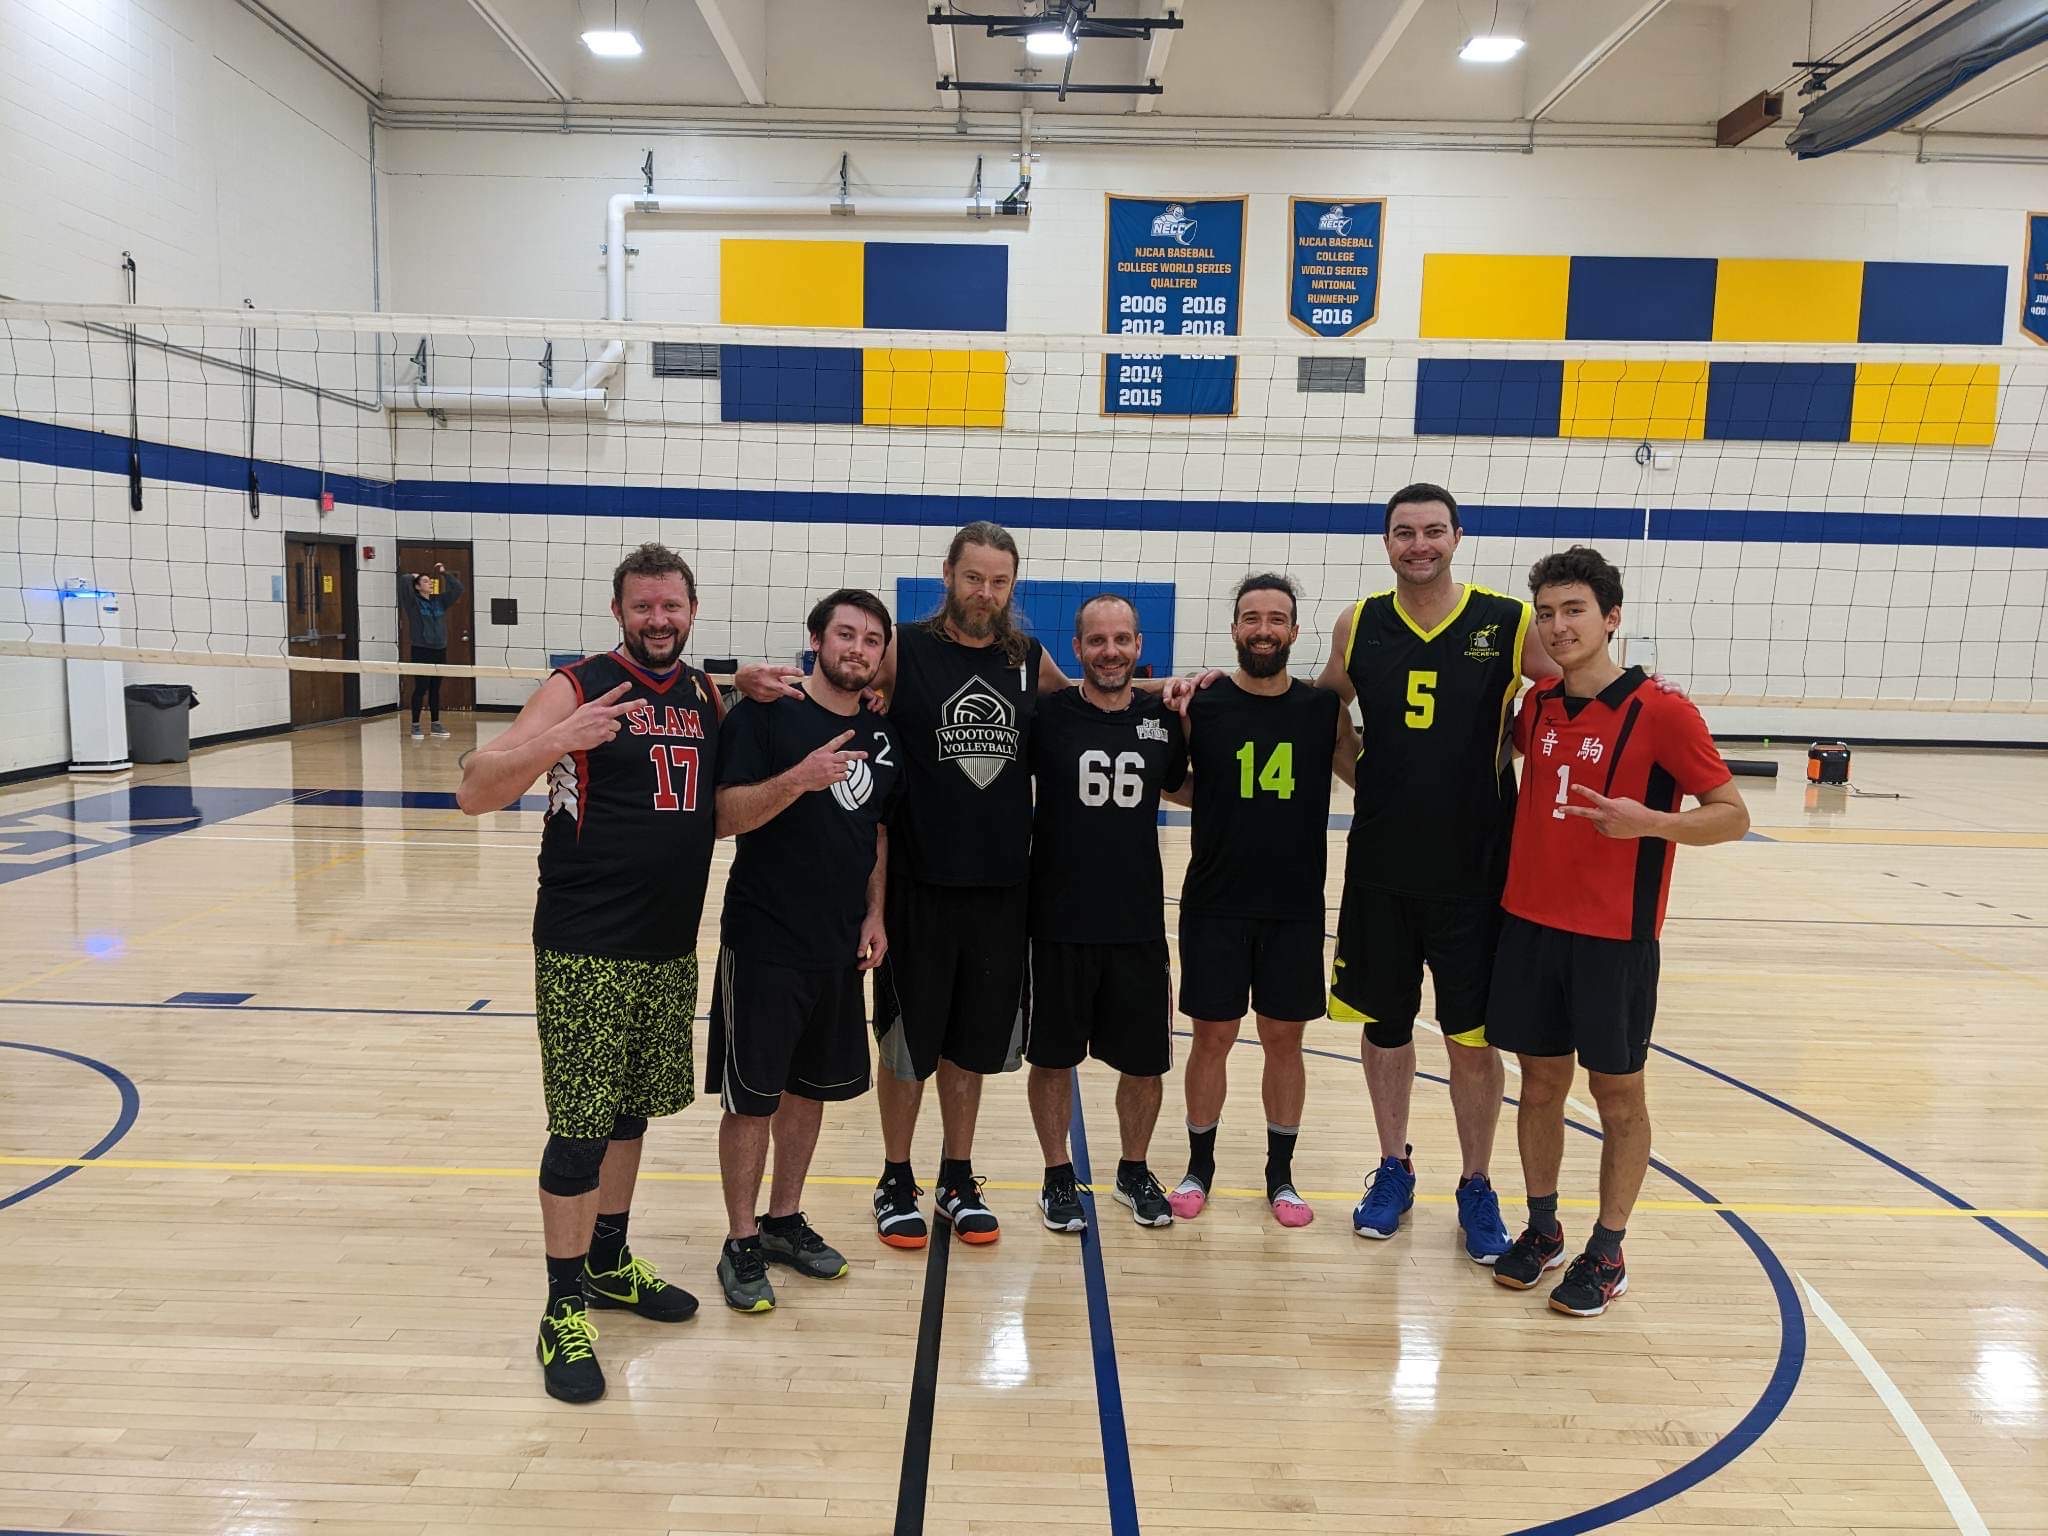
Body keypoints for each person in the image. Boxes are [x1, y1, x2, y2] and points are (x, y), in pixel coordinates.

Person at [455, 542, 793, 1403]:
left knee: (628, 1113)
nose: (658, 620)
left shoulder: (703, 694)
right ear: (618, 612)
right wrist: (558, 740)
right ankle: (562, 1307)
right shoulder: (577, 686)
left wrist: (742, 684)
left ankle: (608, 1261)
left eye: (671, 605)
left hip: (667, 946)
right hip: (585, 946)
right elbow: (474, 789)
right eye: (643, 606)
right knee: (579, 1129)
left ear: (693, 609)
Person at [1486, 546, 1748, 1317]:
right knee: (1539, 1084)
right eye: (1547, 614)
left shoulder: (1663, 711)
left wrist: (1652, 824)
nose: (1558, 627)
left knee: (1617, 1094)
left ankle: (1608, 1250)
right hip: (1529, 926)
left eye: (1574, 611)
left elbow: (1732, 815)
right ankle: (1542, 1229)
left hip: (1614, 938)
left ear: (1611, 618)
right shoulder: (1536, 705)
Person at [1315, 482, 1555, 1262]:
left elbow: (1568, 689)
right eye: (1404, 532)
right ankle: (1394, 1165)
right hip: (1382, 866)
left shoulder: (1507, 621)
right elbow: (1320, 709)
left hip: (1476, 869)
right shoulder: (1359, 623)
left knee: (1470, 1038)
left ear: (1457, 537)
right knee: (1385, 1028)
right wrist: (1367, 780)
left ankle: (1477, 1182)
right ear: (1386, 542)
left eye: (1432, 531)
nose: (1418, 544)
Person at [707, 589, 901, 1313]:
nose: (857, 649)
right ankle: (740, 1238)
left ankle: (783, 1220)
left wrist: (875, 912)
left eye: (871, 640)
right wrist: (798, 779)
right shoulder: (765, 713)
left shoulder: (881, 733)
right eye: (845, 634)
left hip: (838, 944)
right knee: (752, 1099)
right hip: (764, 938)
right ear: (816, 640)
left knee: (808, 1091)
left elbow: (875, 829)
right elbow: (723, 817)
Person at [1171, 574, 1355, 1228]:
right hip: (1215, 901)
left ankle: (1282, 1176)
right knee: (1212, 1037)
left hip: (1294, 906)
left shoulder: (1322, 709)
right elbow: (1173, 778)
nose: (1264, 629)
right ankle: (1199, 1167)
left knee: (1284, 1039)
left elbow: (1369, 777)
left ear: (1295, 631)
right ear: (1234, 630)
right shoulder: (1204, 705)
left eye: (1276, 619)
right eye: (1252, 618)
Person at [1024, 594, 1188, 1233]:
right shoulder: (1047, 716)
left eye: (1122, 639)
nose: (1110, 651)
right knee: (1052, 1059)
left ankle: (1133, 1169)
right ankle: (1056, 1174)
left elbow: (1187, 783)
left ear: (1140, 646)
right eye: (1097, 640)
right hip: (1057, 920)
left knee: (1145, 1062)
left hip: (1137, 922)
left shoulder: (1163, 718)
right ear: (1077, 648)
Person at [401, 562, 463, 740]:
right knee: (421, 688)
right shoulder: (413, 603)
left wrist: (445, 573)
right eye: (425, 581)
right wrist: (412, 576)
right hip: (421, 650)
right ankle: (415, 725)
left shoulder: (439, 601)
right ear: (417, 586)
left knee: (435, 689)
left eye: (430, 581)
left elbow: (458, 589)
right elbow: (403, 583)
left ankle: (436, 724)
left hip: (439, 650)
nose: (429, 584)